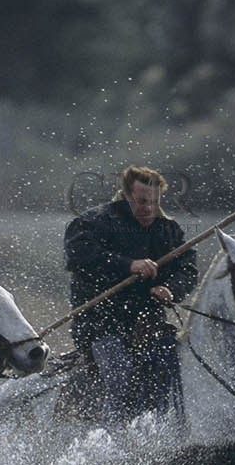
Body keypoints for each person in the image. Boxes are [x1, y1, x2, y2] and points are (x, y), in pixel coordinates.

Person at [63, 165, 197, 423]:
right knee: (121, 376)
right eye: (142, 202)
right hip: (99, 324)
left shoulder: (168, 230)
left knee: (172, 371)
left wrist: (171, 289)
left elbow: (187, 269)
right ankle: (114, 433)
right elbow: (79, 256)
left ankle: (172, 430)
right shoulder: (92, 223)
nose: (149, 208)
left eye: (154, 202)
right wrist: (128, 265)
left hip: (148, 324)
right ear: (125, 195)